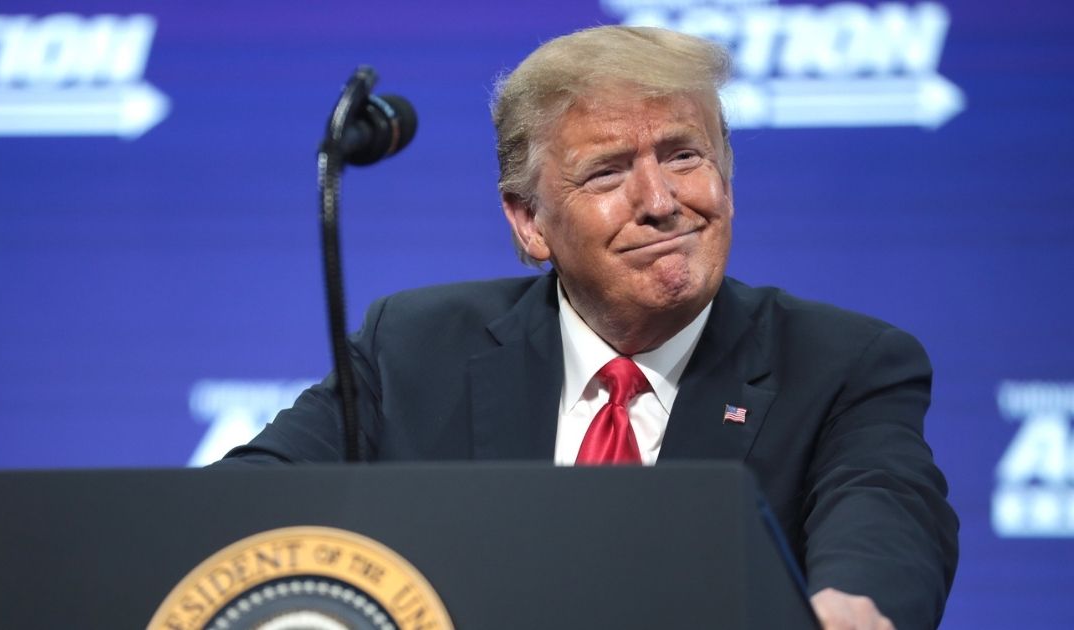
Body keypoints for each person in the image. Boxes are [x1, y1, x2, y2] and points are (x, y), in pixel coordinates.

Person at [220, 25, 959, 630]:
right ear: (529, 222)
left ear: (727, 176)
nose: (661, 200)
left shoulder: (842, 364)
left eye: (684, 155)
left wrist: (849, 605)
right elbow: (237, 508)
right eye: (607, 173)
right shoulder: (414, 346)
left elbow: (886, 510)